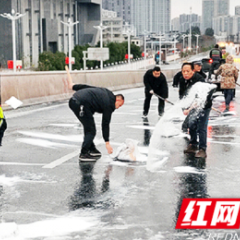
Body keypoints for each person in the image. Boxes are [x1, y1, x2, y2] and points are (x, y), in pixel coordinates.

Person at [65, 66, 125, 161]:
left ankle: (91, 149)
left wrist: (73, 86)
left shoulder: (107, 92)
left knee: (89, 126)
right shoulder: (109, 104)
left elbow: (88, 87)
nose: (118, 107)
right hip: (80, 104)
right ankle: (84, 153)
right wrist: (107, 142)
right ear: (117, 99)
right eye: (119, 105)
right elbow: (105, 123)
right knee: (91, 130)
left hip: (76, 101)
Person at [179, 62, 215, 158]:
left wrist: (189, 108)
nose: (185, 73)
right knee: (191, 124)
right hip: (191, 106)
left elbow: (200, 98)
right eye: (183, 71)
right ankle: (193, 144)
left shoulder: (199, 80)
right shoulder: (182, 80)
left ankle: (202, 149)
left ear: (193, 71)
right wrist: (185, 108)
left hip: (204, 105)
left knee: (201, 127)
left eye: (188, 71)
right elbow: (182, 96)